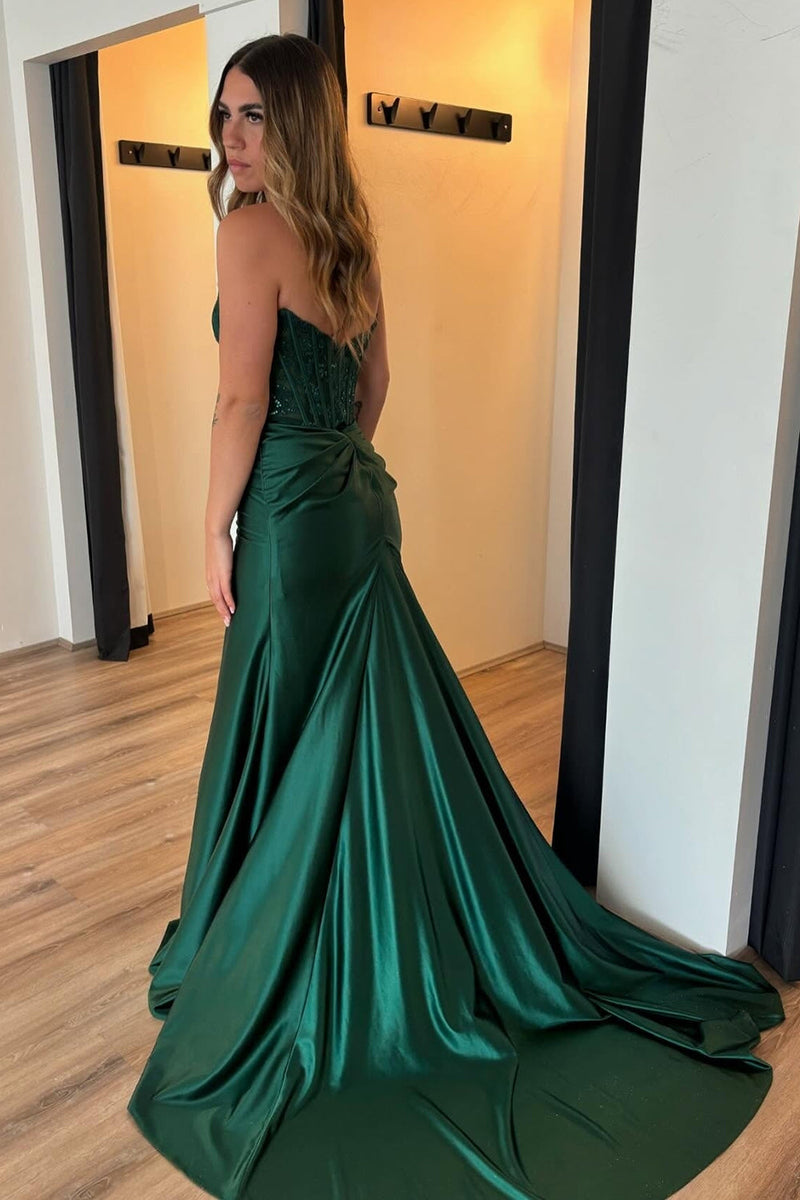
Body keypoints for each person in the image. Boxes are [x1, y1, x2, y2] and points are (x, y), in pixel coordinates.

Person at [127, 33, 785, 1200]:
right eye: (222, 115)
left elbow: (237, 399)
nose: (232, 137)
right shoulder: (350, 235)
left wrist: (215, 526)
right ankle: (371, 940)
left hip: (286, 519)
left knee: (283, 724)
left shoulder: (249, 230)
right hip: (353, 506)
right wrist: (336, 467)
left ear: (296, 124)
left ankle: (272, 950)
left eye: (253, 115)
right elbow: (374, 384)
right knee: (352, 734)